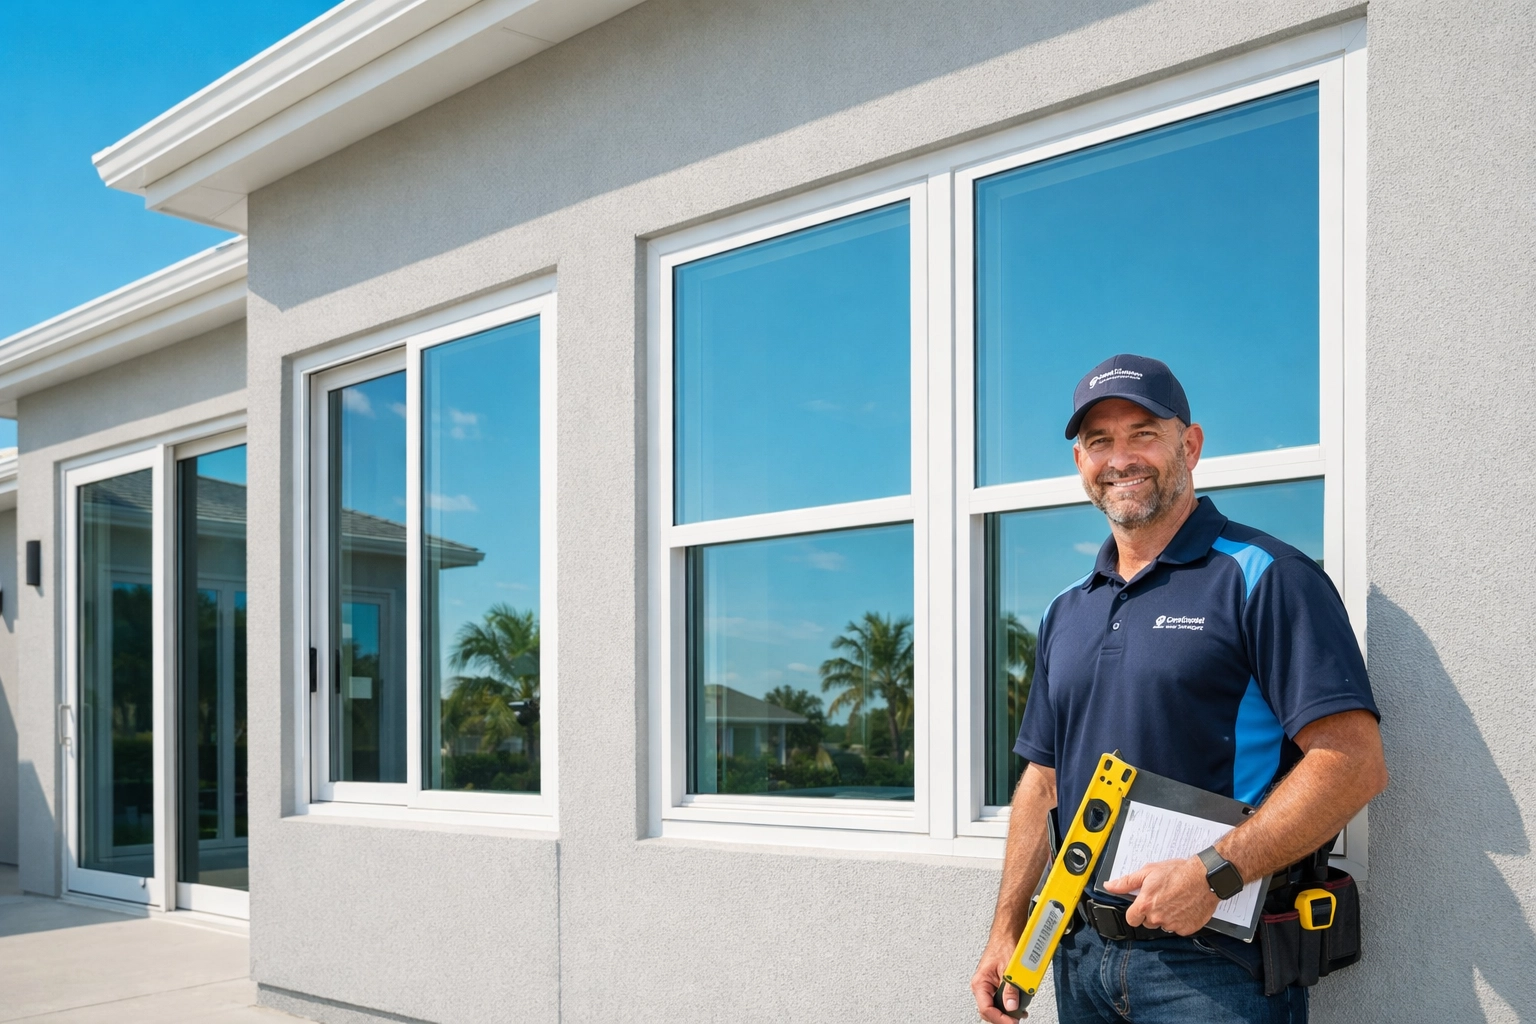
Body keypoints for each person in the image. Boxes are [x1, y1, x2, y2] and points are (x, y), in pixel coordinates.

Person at [971, 354, 1388, 1024]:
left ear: (1189, 445)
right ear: (1081, 462)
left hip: (1216, 965)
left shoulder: (1265, 576)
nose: (1120, 458)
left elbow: (1353, 763)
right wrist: (1008, 930)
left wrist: (1213, 874)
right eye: (1099, 441)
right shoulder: (1066, 611)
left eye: (1143, 433)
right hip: (1081, 957)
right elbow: (1042, 781)